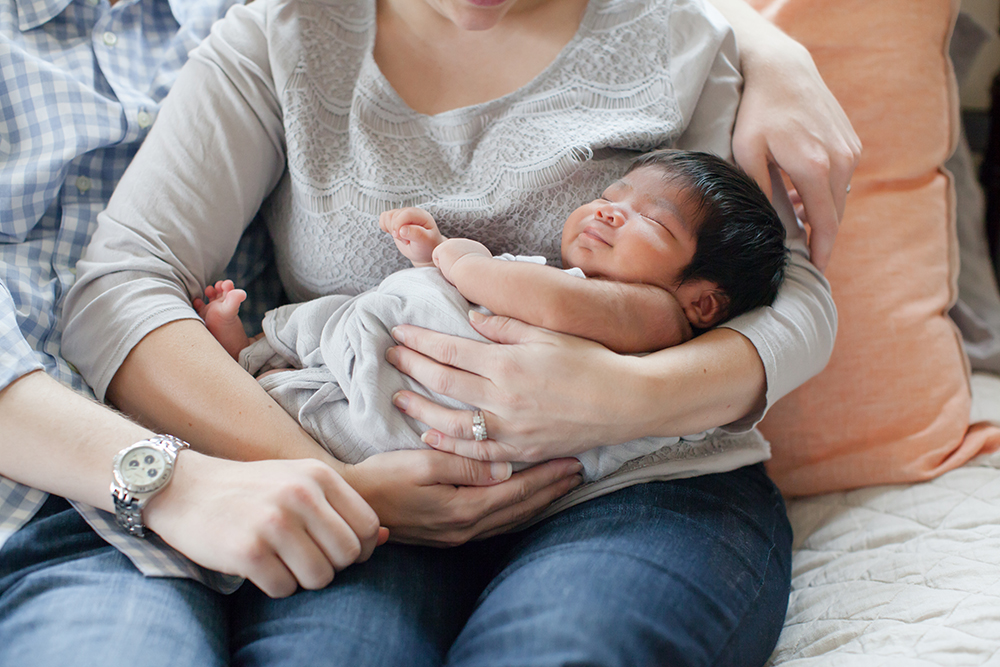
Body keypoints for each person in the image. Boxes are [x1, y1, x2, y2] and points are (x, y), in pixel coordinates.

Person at [1, 0, 858, 662]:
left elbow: (796, 302)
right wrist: (338, 480)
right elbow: (121, 285)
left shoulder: (679, 37)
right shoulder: (280, 37)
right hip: (377, 502)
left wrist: (625, 394)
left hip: (641, 483)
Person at [197, 149, 788, 482]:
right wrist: (432, 257)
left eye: (651, 221)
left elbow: (544, 300)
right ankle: (250, 355)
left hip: (421, 410)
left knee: (330, 407)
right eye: (611, 197)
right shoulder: (577, 280)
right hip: (405, 350)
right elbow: (499, 297)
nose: (609, 213)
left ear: (703, 301)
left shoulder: (656, 316)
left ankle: (251, 372)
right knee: (329, 335)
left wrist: (459, 258)